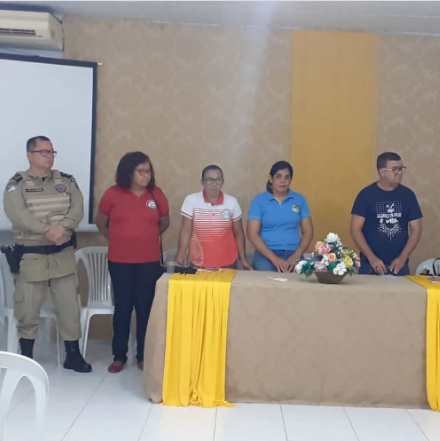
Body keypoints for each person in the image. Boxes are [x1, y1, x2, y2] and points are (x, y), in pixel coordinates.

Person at [3, 136, 91, 372]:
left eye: (51, 152)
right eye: (43, 152)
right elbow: (17, 214)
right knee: (28, 309)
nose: (49, 156)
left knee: (69, 308)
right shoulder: (17, 184)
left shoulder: (67, 180)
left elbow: (77, 208)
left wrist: (62, 228)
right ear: (29, 155)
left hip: (62, 254)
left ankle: (73, 355)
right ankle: (27, 359)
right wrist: (46, 230)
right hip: (32, 256)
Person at [96, 152, 169, 373]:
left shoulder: (156, 194)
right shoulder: (113, 194)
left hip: (149, 262)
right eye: (141, 171)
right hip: (119, 261)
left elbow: (164, 223)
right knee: (123, 308)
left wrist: (144, 238)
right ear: (128, 172)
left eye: (149, 171)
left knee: (145, 308)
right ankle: (119, 356)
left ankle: (143, 356)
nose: (146, 175)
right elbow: (101, 222)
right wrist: (118, 239)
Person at [350, 152, 422, 276]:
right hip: (369, 265)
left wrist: (403, 258)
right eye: (395, 169)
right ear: (382, 172)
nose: (399, 173)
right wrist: (371, 257)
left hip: (400, 265)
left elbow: (416, 229)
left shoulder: (408, 195)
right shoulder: (366, 195)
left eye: (401, 168)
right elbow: (355, 229)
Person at [175, 165, 250, 270]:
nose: (214, 184)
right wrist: (179, 261)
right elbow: (185, 232)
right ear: (203, 182)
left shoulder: (232, 202)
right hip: (199, 262)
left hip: (228, 262)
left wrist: (243, 258)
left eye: (218, 180)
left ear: (223, 182)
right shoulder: (191, 201)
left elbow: (238, 233)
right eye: (210, 180)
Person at [247, 161, 314, 272]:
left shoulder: (299, 199)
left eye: (287, 177)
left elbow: (308, 231)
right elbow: (252, 234)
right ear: (271, 179)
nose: (283, 181)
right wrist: (274, 258)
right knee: (268, 277)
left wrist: (296, 256)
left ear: (291, 180)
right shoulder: (259, 201)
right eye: (278, 176)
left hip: (294, 252)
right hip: (266, 254)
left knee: (300, 278)